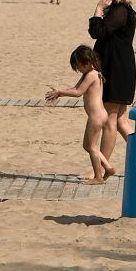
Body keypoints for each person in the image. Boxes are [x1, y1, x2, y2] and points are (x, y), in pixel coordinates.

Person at [45, 45, 115, 183]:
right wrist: (59, 92)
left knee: (92, 147)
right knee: (87, 145)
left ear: (87, 63)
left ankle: (98, 177)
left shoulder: (91, 75)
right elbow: (75, 88)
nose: (78, 70)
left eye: (78, 67)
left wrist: (60, 92)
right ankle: (108, 167)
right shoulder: (90, 73)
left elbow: (78, 93)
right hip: (99, 114)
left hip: (96, 116)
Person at [87, 0, 136, 163]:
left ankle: (100, 168)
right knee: (121, 121)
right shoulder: (119, 10)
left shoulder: (120, 11)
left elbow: (97, 31)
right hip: (118, 67)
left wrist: (98, 11)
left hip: (117, 69)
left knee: (111, 120)